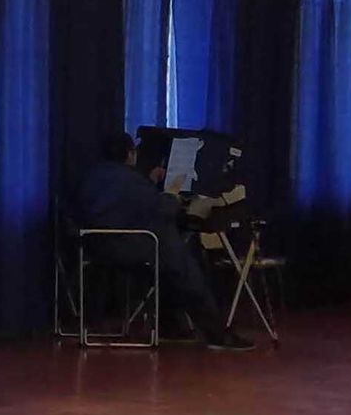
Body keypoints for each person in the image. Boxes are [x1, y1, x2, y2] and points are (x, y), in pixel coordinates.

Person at [74, 132, 252, 351]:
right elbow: (161, 212)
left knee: (168, 259)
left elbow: (122, 204)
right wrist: (171, 194)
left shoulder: (91, 177)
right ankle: (217, 334)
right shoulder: (132, 181)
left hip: (94, 250)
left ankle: (172, 325)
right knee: (180, 262)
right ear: (130, 154)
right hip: (133, 248)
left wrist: (148, 182)